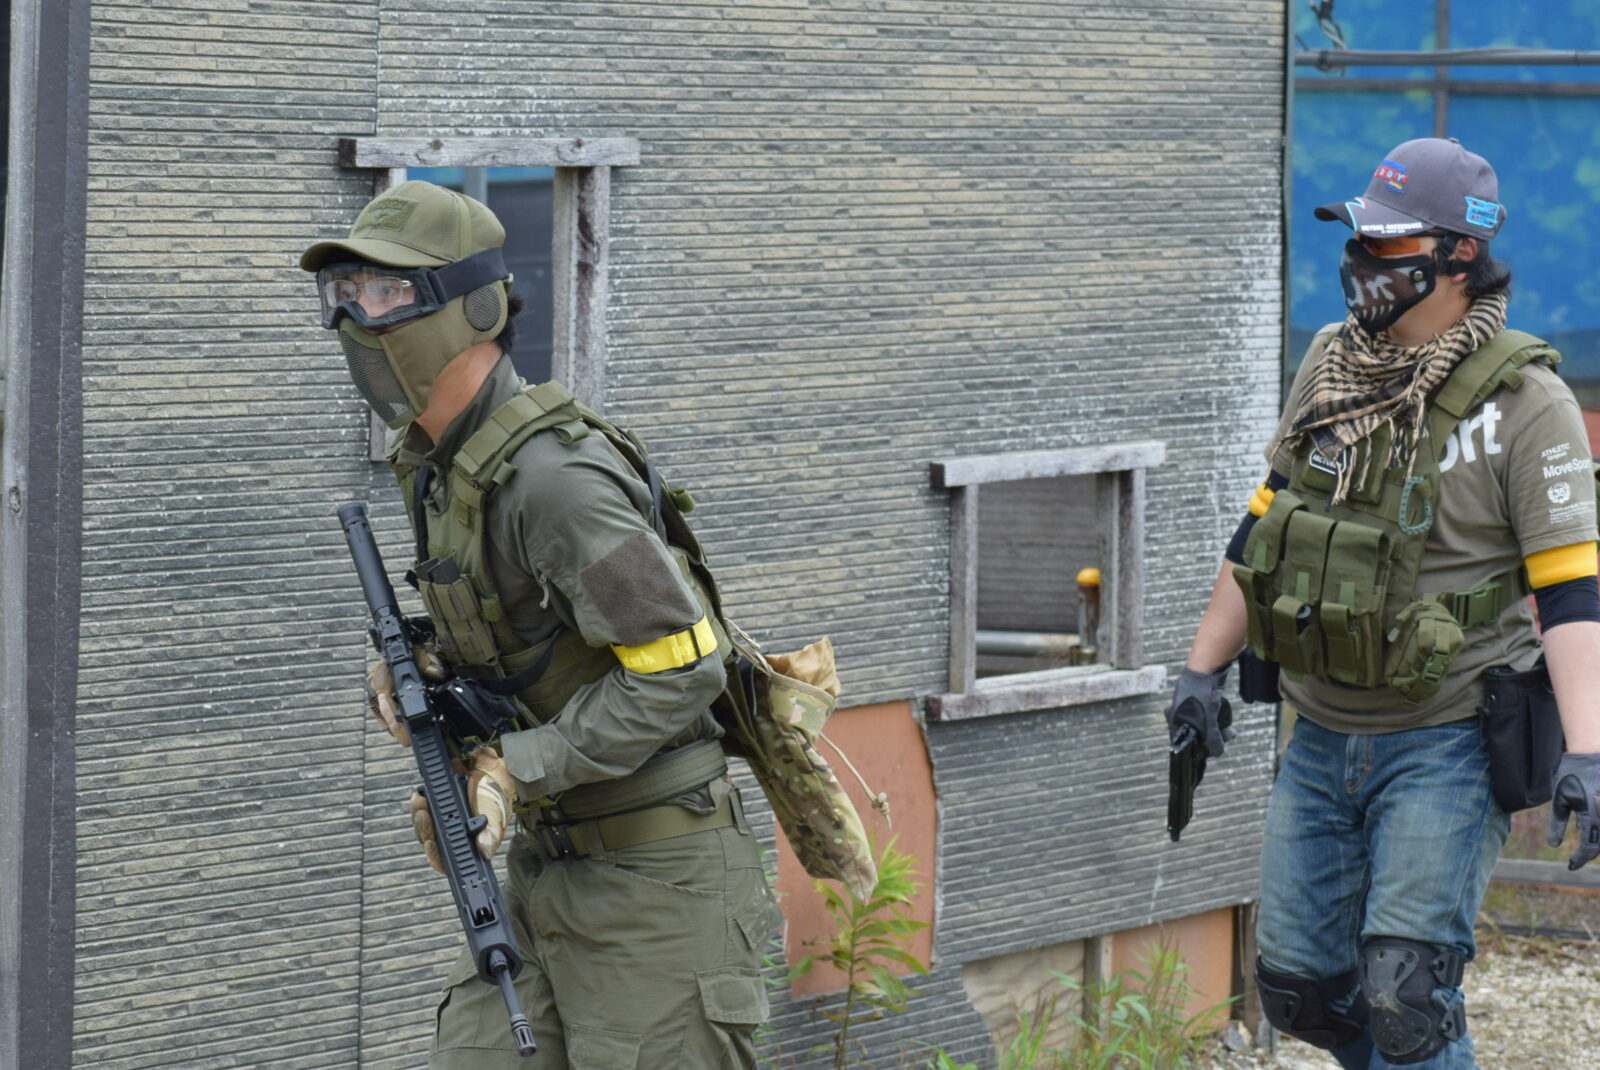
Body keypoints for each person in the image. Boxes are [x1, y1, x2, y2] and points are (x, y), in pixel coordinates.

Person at [302, 180, 776, 1069]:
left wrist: (514, 771)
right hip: (542, 870)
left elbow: (684, 671)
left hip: (655, 883)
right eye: (346, 293)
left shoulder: (558, 483)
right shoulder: (438, 471)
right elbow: (529, 649)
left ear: (475, 309)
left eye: (390, 292)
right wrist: (422, 677)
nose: (358, 319)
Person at [1167, 138, 1600, 1068]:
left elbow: (1571, 590)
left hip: (1447, 738)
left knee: (1406, 994)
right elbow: (1266, 525)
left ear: (1460, 255)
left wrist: (1590, 750)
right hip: (1319, 728)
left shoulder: (1529, 402)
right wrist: (1199, 674)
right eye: (1361, 238)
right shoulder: (1332, 365)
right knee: (1302, 989)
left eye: (1392, 244)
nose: (1364, 260)